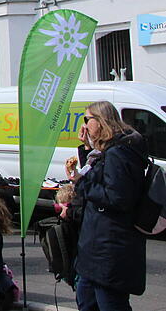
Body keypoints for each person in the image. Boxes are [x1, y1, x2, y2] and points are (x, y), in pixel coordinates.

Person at [71, 100, 147, 310]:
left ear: (101, 121)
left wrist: (81, 182)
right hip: (96, 247)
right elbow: (101, 174)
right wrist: (87, 149)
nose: (84, 125)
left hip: (109, 247)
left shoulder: (119, 152)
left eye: (87, 119)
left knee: (109, 303)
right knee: (87, 300)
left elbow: (117, 197)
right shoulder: (110, 150)